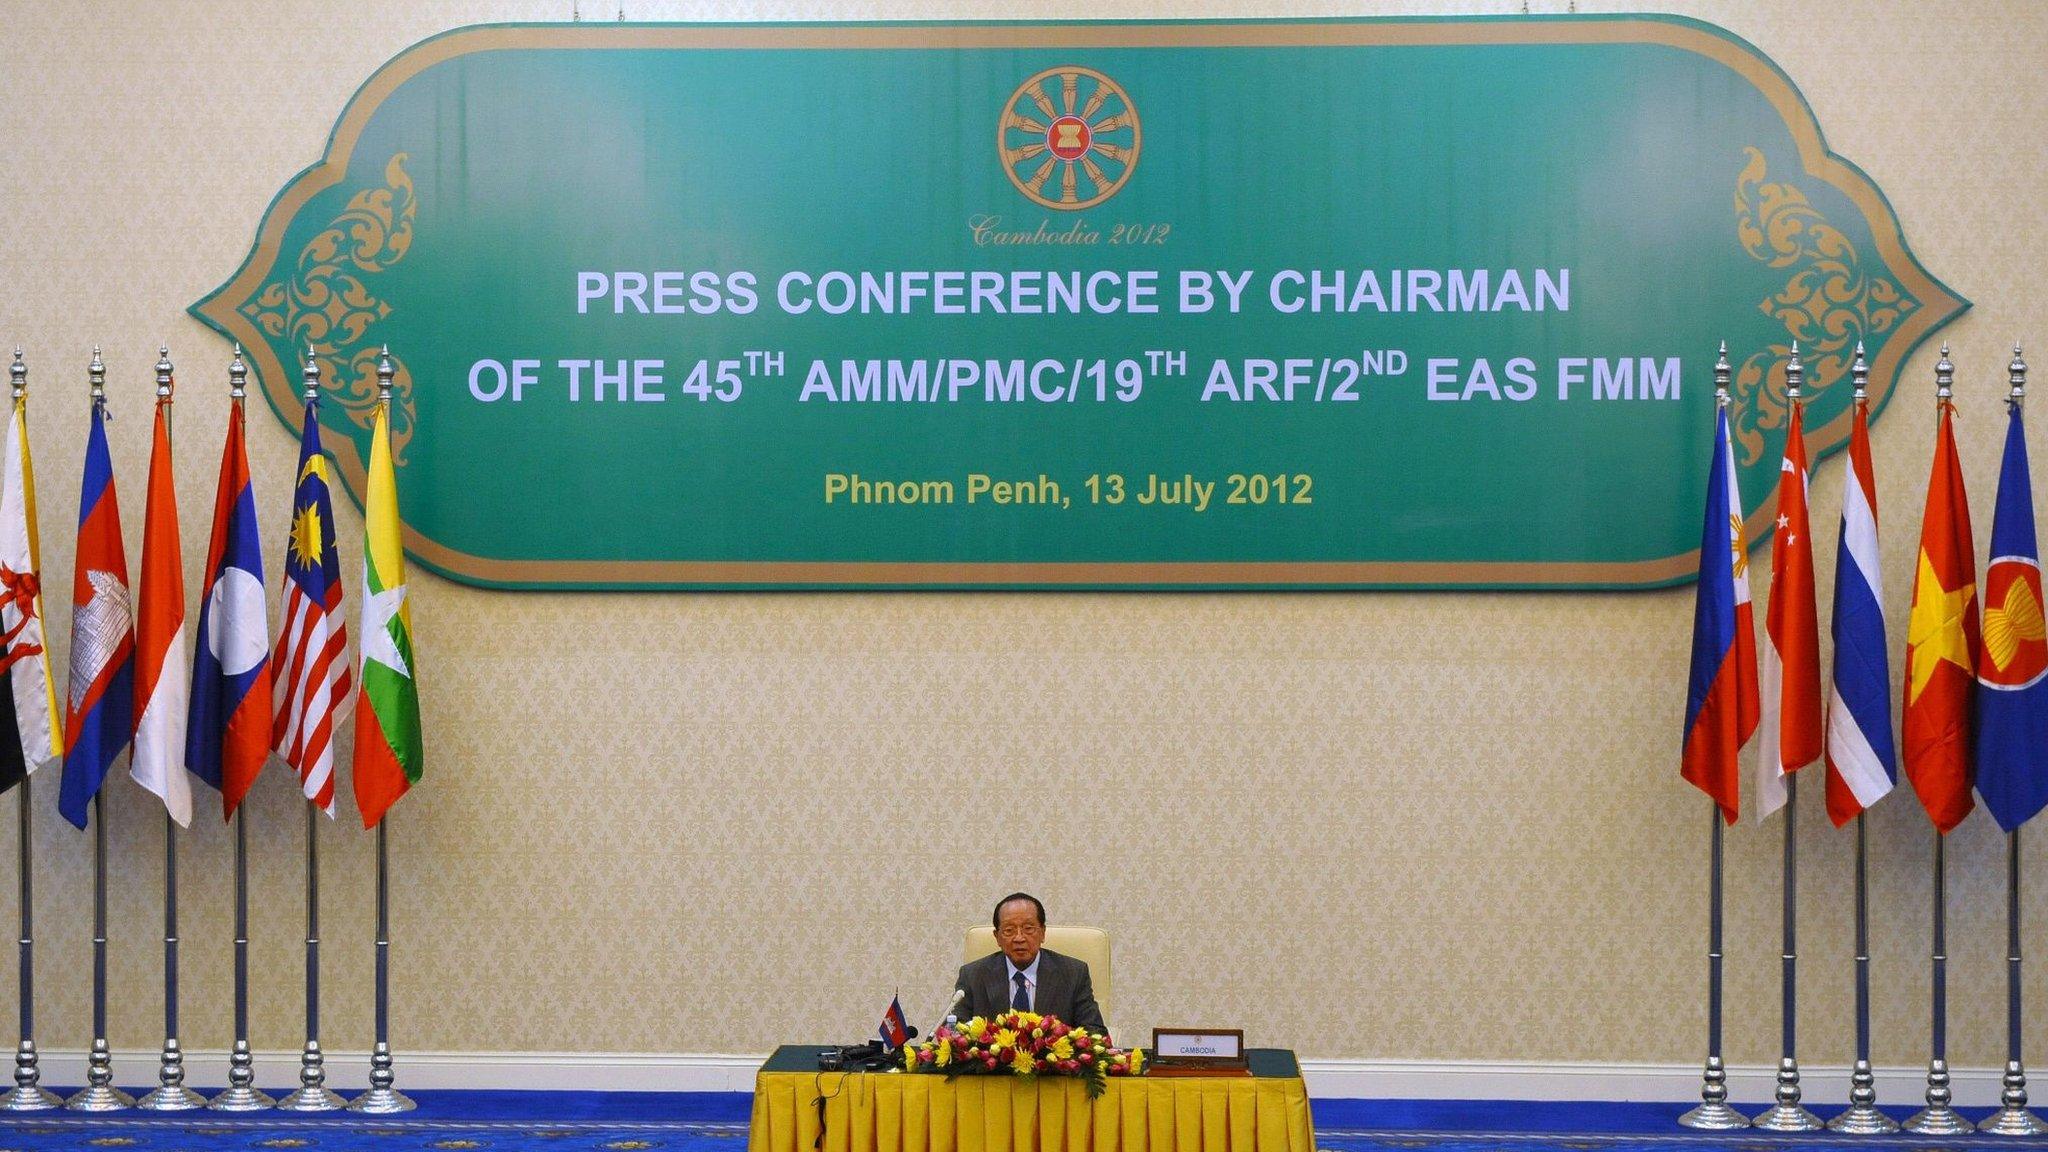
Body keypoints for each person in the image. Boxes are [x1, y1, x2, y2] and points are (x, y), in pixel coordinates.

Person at [952, 892, 1106, 1033]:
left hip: (1053, 1062)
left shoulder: (1073, 974)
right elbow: (955, 1035)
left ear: (1043, 933)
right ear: (997, 937)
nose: (1019, 938)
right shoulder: (972, 976)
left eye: (1028, 928)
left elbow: (1095, 1034)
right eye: (1009, 930)